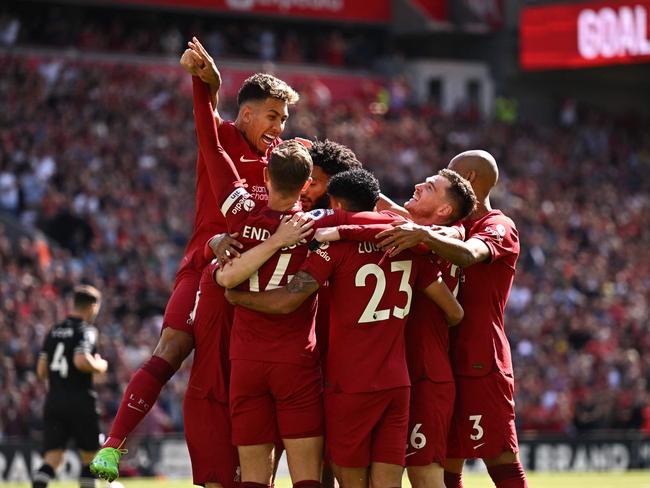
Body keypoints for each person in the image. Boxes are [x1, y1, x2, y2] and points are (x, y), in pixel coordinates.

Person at [90, 37, 299, 482]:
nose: (279, 127)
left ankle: (244, 471)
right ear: (246, 114)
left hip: (254, 280)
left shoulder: (282, 163)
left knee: (237, 378)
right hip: (204, 265)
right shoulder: (223, 139)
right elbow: (206, 114)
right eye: (272, 116)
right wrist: (207, 81)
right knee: (172, 347)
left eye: (284, 118)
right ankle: (113, 444)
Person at [224, 169, 464, 488]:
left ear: (336, 204)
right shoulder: (408, 245)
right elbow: (455, 312)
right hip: (397, 384)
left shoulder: (334, 250)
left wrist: (236, 297)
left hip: (350, 385)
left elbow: (286, 301)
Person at [375, 150, 529, 488]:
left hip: (478, 358)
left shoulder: (497, 226)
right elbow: (404, 218)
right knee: (444, 460)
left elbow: (472, 254)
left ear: (469, 179)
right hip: (439, 358)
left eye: (450, 171)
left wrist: (425, 236)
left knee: (500, 457)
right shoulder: (448, 224)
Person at [320, 168, 476, 488]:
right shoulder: (406, 237)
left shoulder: (446, 234)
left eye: (430, 186)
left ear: (444, 210)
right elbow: (380, 214)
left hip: (422, 374)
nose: (418, 185)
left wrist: (336, 230)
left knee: (425, 474)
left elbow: (451, 242)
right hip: (398, 375)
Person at [33, 286, 107, 488]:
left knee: (52, 459)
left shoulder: (54, 331)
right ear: (92, 306)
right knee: (90, 459)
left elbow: (41, 370)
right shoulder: (87, 331)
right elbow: (81, 360)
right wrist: (101, 365)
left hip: (55, 401)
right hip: (81, 401)